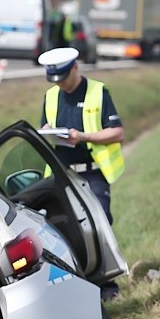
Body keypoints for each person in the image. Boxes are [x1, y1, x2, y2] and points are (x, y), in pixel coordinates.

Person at [37, 46, 125, 299]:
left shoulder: (98, 92)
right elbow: (45, 125)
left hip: (92, 173)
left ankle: (108, 286)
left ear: (75, 67)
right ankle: (79, 285)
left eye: (64, 78)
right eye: (56, 80)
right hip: (63, 174)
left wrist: (83, 137)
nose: (61, 85)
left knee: (99, 225)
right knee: (64, 230)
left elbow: (117, 132)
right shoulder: (51, 95)